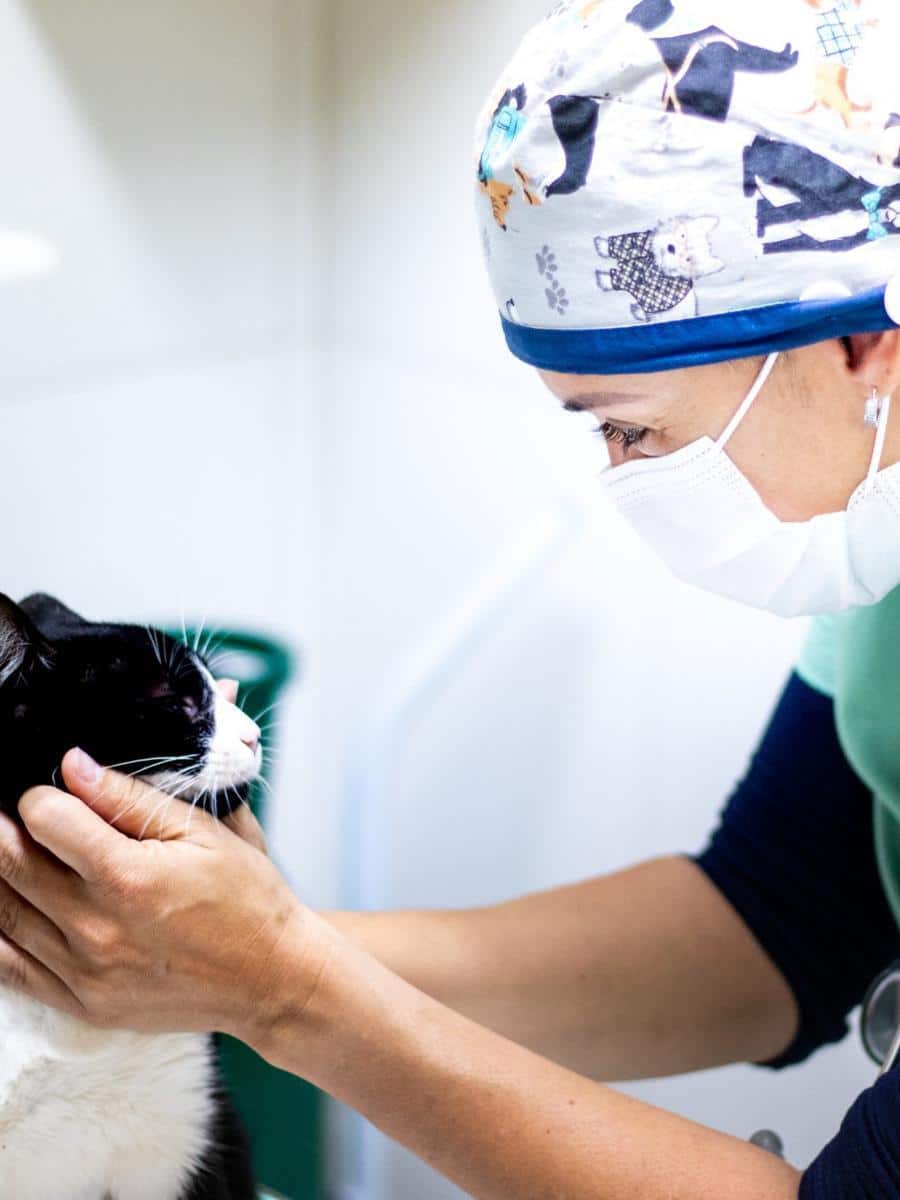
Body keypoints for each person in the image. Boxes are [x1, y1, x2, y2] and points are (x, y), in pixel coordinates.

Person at [2, 0, 900, 1195]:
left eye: (637, 431)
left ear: (859, 346)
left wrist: (286, 991)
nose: (626, 482)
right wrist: (232, 947)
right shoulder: (876, 571)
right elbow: (775, 922)